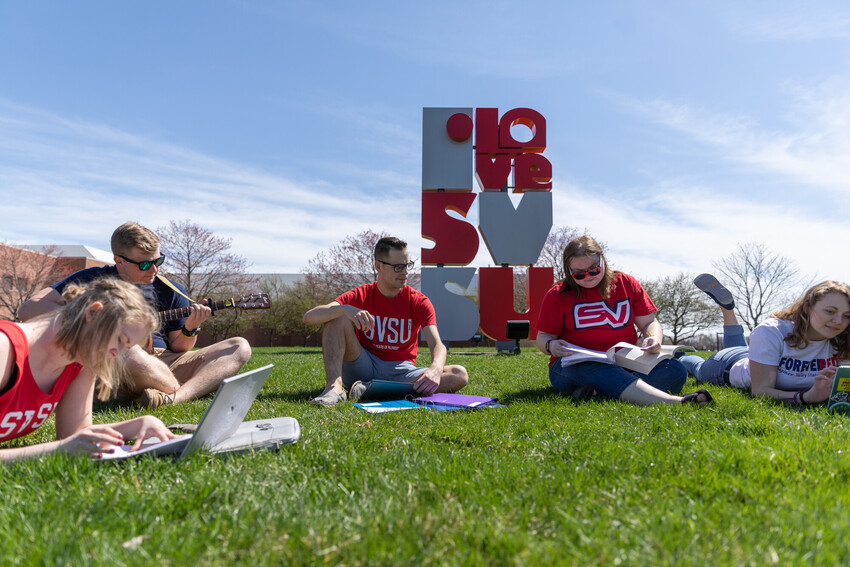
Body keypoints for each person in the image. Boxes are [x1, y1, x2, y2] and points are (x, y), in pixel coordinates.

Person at [17, 222, 252, 408]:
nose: (155, 269)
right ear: (119, 261)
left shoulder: (172, 288)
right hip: (116, 360)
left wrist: (191, 328)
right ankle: (174, 388)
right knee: (128, 350)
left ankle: (175, 398)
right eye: (145, 265)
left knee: (239, 347)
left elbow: (180, 348)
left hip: (162, 359)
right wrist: (97, 322)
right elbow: (28, 309)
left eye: (158, 261)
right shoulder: (93, 278)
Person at [0, 278, 176, 461]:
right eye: (119, 340)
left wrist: (139, 424)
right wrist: (58, 450)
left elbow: (76, 435)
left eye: (126, 347)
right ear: (93, 313)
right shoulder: (6, 348)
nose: (117, 354)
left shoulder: (81, 361)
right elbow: (66, 445)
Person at [535, 235, 711, 406]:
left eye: (594, 270)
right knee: (596, 370)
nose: (588, 277)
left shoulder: (625, 283)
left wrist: (653, 338)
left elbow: (649, 322)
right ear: (568, 270)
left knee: (674, 370)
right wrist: (551, 346)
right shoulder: (557, 295)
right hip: (575, 365)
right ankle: (675, 402)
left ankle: (597, 392)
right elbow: (543, 337)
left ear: (603, 260)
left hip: (626, 361)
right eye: (579, 274)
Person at [303, 236, 468, 406]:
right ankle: (335, 389)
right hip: (363, 366)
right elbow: (309, 317)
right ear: (378, 266)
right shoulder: (362, 294)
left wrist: (435, 369)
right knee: (335, 316)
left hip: (402, 371)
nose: (405, 272)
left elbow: (437, 345)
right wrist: (344, 309)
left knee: (459, 374)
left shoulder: (419, 301)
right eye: (398, 267)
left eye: (407, 265)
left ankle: (369, 390)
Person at [680, 274, 850, 405]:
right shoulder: (773, 330)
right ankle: (680, 356)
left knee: (748, 352)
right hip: (725, 367)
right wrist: (804, 397)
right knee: (698, 367)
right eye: (830, 311)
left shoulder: (844, 338)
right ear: (807, 307)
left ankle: (728, 309)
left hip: (757, 357)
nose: (838, 321)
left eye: (847, 315)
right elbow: (760, 390)